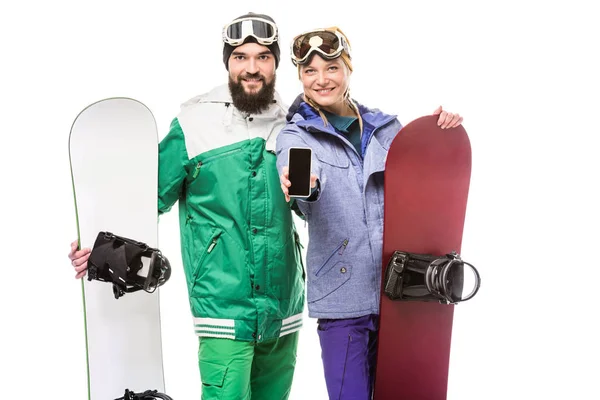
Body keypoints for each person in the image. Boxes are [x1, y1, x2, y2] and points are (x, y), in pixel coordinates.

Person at [68, 12, 305, 400]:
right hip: (223, 306)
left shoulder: (293, 125)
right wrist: (100, 249)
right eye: (241, 57)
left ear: (275, 62)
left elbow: (308, 206)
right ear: (227, 62)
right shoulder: (195, 124)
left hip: (285, 306)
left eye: (262, 57)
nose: (252, 68)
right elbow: (146, 199)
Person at [276, 27, 464, 400]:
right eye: (309, 71)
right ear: (300, 77)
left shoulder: (386, 130)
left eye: (330, 67)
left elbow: (421, 183)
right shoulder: (296, 137)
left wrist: (440, 133)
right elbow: (299, 185)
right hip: (342, 301)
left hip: (402, 294)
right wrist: (303, 184)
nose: (321, 79)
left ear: (347, 68)